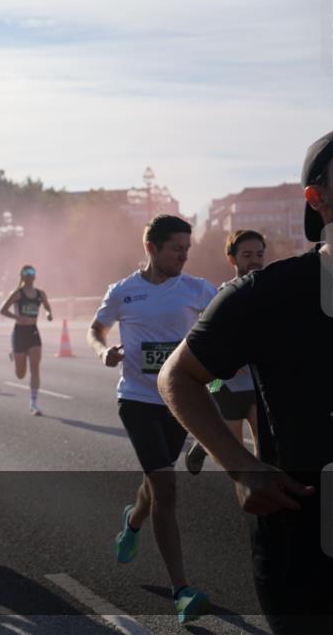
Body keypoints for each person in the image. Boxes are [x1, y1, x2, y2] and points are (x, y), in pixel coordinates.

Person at [159, 118, 333, 635]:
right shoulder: (268, 295)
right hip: (311, 561)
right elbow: (178, 376)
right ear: (318, 198)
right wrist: (241, 467)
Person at [87, 214, 218, 623]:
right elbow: (96, 328)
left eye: (186, 249)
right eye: (176, 249)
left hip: (177, 400)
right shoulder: (124, 291)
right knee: (165, 485)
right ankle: (181, 590)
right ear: (152, 248)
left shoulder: (198, 289)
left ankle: (132, 520)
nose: (183, 256)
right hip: (137, 399)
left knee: (153, 485)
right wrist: (102, 350)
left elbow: (227, 326)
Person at [185, 230, 266, 474]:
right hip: (227, 384)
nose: (255, 260)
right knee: (233, 456)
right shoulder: (222, 295)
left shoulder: (270, 290)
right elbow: (206, 337)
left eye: (260, 254)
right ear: (232, 259)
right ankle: (203, 444)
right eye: (247, 254)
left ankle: (260, 505)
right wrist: (230, 356)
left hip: (258, 383)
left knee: (265, 453)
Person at [0, 265, 53, 415]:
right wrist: (17, 317)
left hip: (33, 332)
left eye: (32, 272)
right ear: (22, 276)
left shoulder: (40, 294)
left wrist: (48, 314)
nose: (29, 275)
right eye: (26, 272)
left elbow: (48, 307)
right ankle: (14, 355)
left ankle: (33, 403)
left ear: (35, 276)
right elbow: (2, 309)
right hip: (20, 333)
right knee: (20, 374)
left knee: (35, 367)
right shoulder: (17, 294)